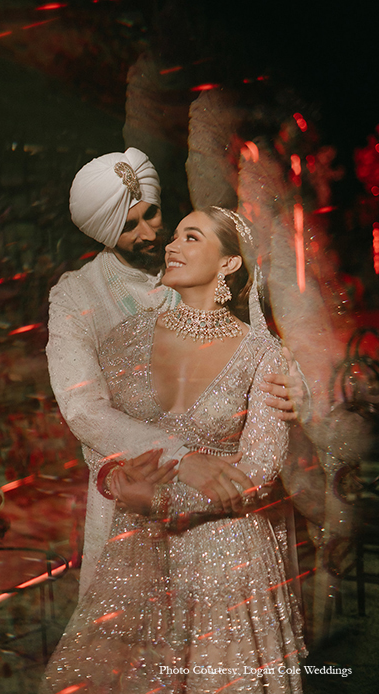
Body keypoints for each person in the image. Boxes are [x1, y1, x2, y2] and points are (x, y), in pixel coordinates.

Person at [41, 205, 306, 694]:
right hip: (137, 551)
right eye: (176, 235)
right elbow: (101, 431)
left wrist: (165, 499)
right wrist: (113, 478)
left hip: (226, 557)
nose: (171, 245)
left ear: (229, 263)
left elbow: (260, 468)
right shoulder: (128, 337)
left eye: (192, 237)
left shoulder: (262, 354)